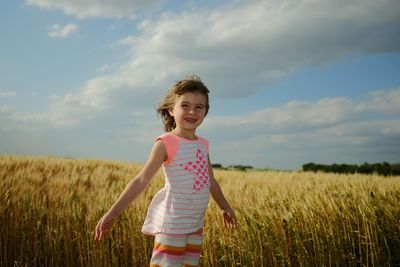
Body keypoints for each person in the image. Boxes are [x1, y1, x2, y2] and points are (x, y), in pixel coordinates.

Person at [95, 75, 236, 266]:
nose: (192, 111)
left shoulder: (203, 145)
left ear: (205, 112)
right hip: (172, 225)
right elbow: (142, 179)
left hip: (195, 225)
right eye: (184, 105)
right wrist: (113, 213)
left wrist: (224, 206)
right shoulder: (166, 142)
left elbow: (210, 181)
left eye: (199, 107)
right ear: (171, 109)